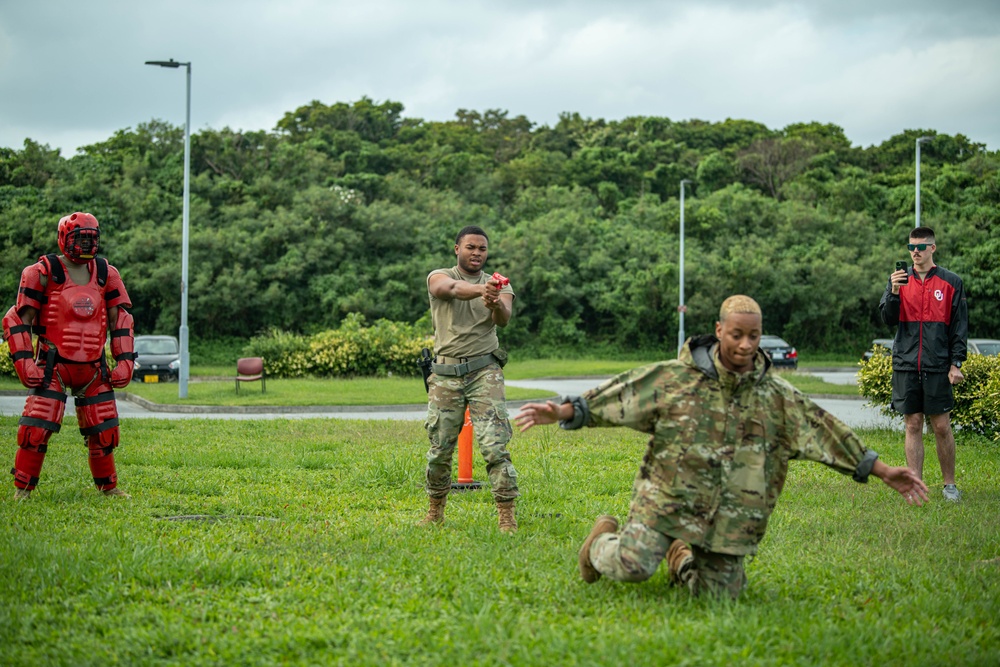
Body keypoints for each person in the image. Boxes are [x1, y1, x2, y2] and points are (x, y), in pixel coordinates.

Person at [514, 295, 929, 599]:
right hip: (668, 499)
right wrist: (566, 411)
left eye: (753, 336)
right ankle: (600, 545)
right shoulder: (677, 379)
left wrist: (881, 470)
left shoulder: (777, 396)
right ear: (718, 331)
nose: (746, 345)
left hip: (729, 518)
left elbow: (826, 433)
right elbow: (621, 395)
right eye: (736, 335)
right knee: (633, 567)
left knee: (718, 597)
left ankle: (680, 558)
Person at [2, 212, 136, 500]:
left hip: (93, 367)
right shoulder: (41, 272)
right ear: (64, 238)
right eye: (80, 239)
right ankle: (22, 491)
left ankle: (108, 489)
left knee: (103, 431)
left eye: (91, 239)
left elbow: (120, 320)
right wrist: (25, 363)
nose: (86, 245)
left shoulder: (106, 273)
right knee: (36, 428)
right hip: (53, 365)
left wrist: (125, 361)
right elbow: (16, 320)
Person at [419, 225, 519, 531]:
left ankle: (506, 514)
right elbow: (445, 290)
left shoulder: (499, 285)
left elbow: (504, 319)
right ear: (457, 249)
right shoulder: (441, 274)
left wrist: (495, 303)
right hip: (446, 374)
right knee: (440, 447)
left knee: (495, 445)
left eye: (482, 249)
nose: (477, 253)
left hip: (484, 372)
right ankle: (435, 510)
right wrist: (480, 291)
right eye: (471, 247)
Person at [879, 226, 967, 503]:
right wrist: (894, 291)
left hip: (937, 364)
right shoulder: (898, 281)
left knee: (941, 425)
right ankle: (916, 484)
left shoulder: (951, 282)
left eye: (920, 247)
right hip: (906, 363)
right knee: (912, 424)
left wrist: (956, 363)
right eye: (910, 247)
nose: (914, 252)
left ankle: (949, 485)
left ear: (932, 248)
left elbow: (959, 327)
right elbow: (888, 319)